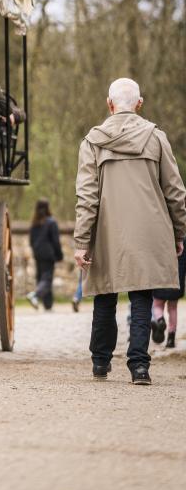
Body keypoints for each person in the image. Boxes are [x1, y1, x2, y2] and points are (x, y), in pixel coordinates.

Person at [74, 77, 186, 385]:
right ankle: (139, 367)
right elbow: (175, 191)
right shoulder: (157, 137)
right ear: (139, 104)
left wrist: (82, 241)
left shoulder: (92, 141)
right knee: (142, 298)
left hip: (106, 231)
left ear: (109, 104)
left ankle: (100, 362)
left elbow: (87, 196)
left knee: (105, 297)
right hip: (148, 231)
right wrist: (179, 232)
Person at [26, 199, 62, 310]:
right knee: (47, 279)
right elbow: (56, 241)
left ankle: (48, 305)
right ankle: (35, 295)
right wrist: (59, 254)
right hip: (48, 254)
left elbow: (31, 241)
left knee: (41, 278)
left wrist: (36, 250)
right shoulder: (51, 222)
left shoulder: (34, 224)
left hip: (38, 253)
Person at [151, 247, 186, 349]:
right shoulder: (182, 240)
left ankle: (160, 320)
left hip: (160, 279)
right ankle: (171, 339)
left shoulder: (160, 238)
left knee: (157, 305)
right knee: (173, 308)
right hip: (176, 280)